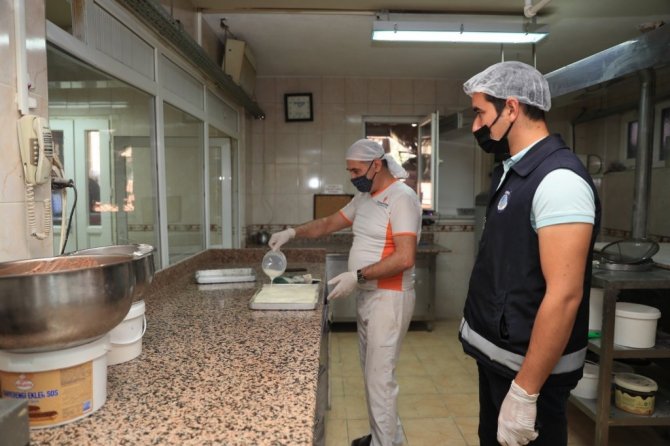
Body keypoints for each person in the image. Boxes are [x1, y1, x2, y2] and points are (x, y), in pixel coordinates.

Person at [458, 61, 601, 446]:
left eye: (480, 113)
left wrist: (525, 392)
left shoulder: (559, 181)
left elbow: (564, 295)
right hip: (501, 360)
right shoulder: (513, 171)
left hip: (529, 375)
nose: (475, 126)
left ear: (511, 108)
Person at [269, 139, 422, 446]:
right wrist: (292, 232)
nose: (352, 177)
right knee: (373, 375)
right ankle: (388, 438)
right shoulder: (364, 197)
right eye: (349, 170)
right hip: (369, 295)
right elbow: (327, 223)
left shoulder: (402, 198)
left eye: (356, 170)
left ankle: (384, 443)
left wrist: (358, 275)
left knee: (380, 379)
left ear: (376, 165)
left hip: (390, 298)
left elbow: (405, 257)